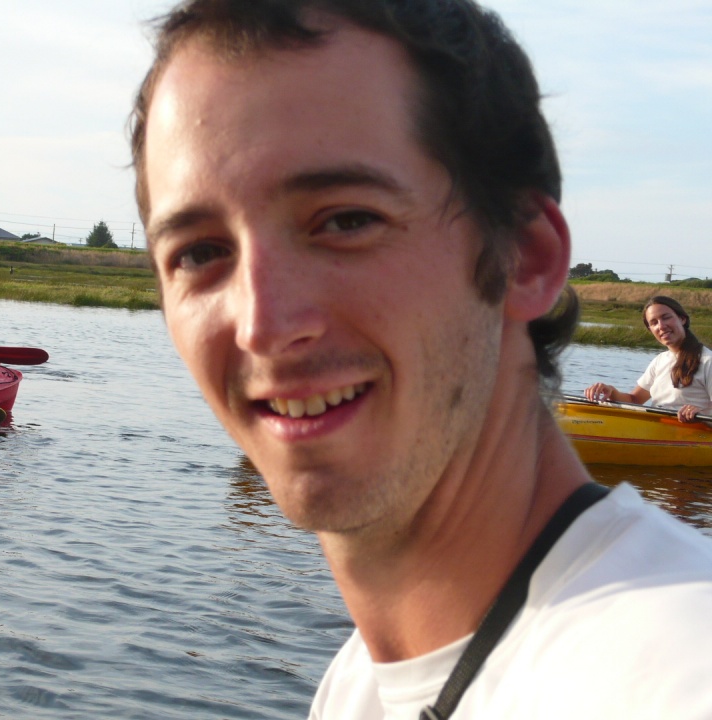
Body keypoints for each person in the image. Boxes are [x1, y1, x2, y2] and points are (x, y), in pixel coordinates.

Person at [130, 1, 712, 718]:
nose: (262, 326)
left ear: (525, 258)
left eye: (347, 220)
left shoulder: (676, 674)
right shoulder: (357, 687)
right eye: (199, 253)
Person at [585, 295, 712, 422]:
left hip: (694, 432)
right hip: (658, 429)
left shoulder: (708, 361)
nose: (661, 326)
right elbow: (634, 400)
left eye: (666, 317)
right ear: (650, 330)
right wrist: (611, 391)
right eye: (654, 323)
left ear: (682, 319)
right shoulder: (660, 360)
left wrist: (700, 414)